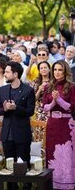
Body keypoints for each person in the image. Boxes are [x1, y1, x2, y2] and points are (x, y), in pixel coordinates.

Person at [0, 61, 35, 190]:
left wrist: (16, 107)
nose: (5, 74)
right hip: (7, 134)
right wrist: (5, 109)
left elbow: (30, 111)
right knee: (9, 165)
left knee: (23, 164)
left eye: (7, 72)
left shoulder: (28, 90)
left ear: (15, 74)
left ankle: (26, 187)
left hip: (22, 134)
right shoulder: (2, 90)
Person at [43, 60, 75, 189]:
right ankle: (53, 183)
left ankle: (68, 184)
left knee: (66, 154)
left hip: (66, 125)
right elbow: (44, 107)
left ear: (65, 71)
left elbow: (72, 107)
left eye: (60, 70)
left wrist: (59, 100)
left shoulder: (72, 87)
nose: (57, 72)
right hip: (52, 124)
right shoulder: (48, 87)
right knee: (52, 153)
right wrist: (53, 102)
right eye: (55, 70)